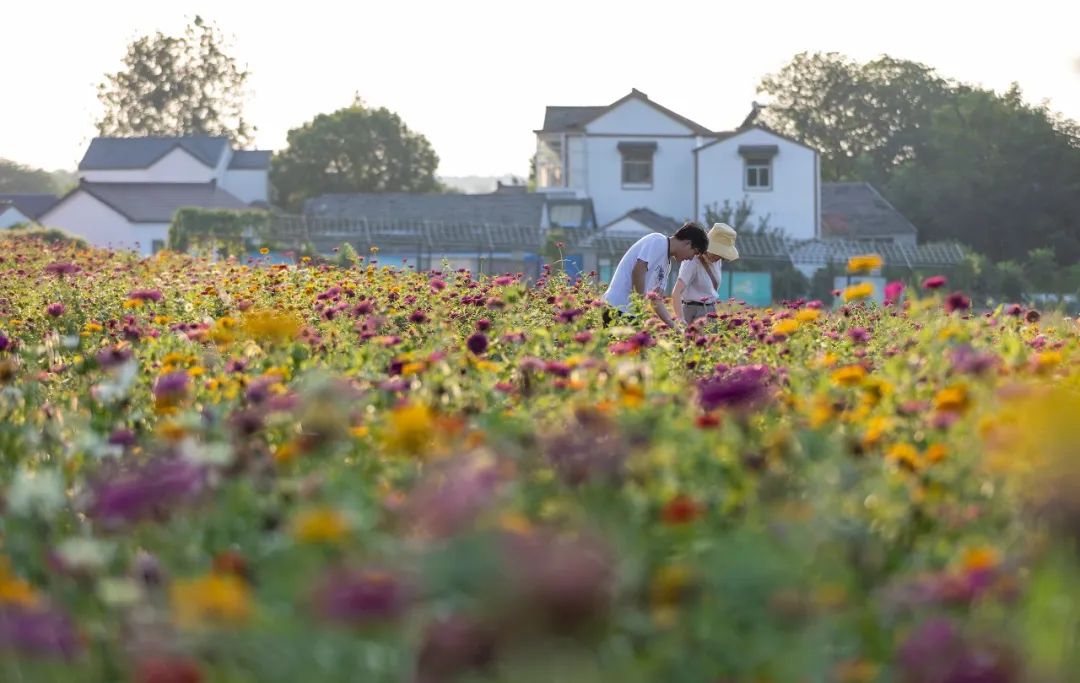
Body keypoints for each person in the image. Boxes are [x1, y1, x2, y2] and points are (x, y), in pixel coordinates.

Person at [601, 222, 709, 328]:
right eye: (694, 253)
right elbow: (638, 271)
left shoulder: (667, 265)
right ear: (687, 243)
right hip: (616, 307)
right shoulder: (657, 241)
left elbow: (656, 300)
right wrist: (640, 304)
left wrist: (674, 327)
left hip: (630, 313)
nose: (690, 258)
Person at [671, 223, 739, 325]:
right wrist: (680, 319)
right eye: (719, 253)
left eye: (723, 255)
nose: (720, 258)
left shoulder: (717, 261)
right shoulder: (692, 260)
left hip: (710, 310)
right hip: (693, 312)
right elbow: (676, 292)